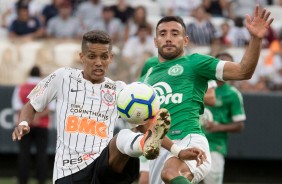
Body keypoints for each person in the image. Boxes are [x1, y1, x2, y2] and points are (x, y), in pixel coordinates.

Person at [12, 30, 207, 184]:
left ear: (110, 58)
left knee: (123, 136)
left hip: (104, 167)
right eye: (92, 56)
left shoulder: (120, 90)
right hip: (68, 171)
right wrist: (23, 122)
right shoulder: (63, 77)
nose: (98, 62)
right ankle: (143, 143)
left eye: (104, 57)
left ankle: (144, 145)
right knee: (126, 137)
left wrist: (177, 151)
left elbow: (146, 127)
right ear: (82, 56)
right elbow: (32, 105)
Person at [139, 5, 273, 184]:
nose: (168, 38)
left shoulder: (195, 62)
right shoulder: (148, 75)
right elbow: (146, 122)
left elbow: (243, 72)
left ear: (185, 40)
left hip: (189, 140)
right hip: (161, 147)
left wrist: (255, 39)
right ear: (155, 41)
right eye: (162, 34)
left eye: (174, 33)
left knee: (170, 173)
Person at [202, 52, 246, 184]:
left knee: (212, 180)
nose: (224, 68)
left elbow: (240, 125)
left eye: (228, 65)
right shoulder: (201, 84)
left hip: (215, 145)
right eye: (221, 64)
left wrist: (217, 127)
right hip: (190, 139)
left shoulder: (233, 94)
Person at [11, 66, 54, 184]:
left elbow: (17, 107)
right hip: (42, 125)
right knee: (42, 154)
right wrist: (37, 117)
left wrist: (29, 118)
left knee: (24, 154)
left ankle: (22, 180)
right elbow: (51, 108)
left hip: (23, 125)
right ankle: (41, 180)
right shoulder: (46, 88)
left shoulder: (21, 87)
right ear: (40, 74)